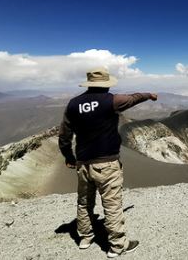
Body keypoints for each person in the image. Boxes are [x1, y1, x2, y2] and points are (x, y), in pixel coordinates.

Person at [58, 67, 158, 258]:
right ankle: (117, 246)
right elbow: (134, 97)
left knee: (84, 202)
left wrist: (69, 158)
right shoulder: (111, 101)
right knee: (112, 204)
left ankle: (85, 238)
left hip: (83, 164)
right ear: (105, 84)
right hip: (107, 164)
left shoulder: (73, 104)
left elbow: (64, 136)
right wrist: (150, 95)